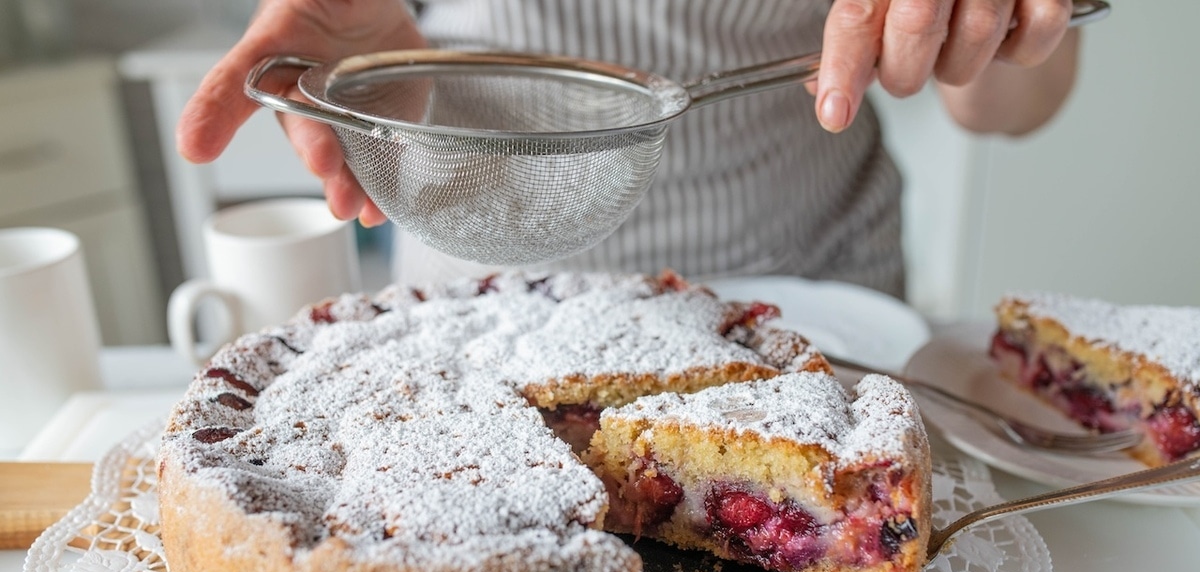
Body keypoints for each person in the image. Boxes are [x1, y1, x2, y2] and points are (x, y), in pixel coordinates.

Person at [177, 0, 1083, 298]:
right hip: (483, 281)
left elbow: (1018, 100)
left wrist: (986, 29)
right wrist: (370, 54)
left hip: (810, 298)